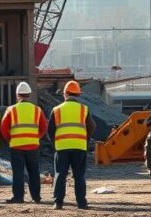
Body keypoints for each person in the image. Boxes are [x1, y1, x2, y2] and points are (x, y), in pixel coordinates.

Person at [48, 80, 96, 210]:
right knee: (79, 175)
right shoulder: (84, 109)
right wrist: (84, 140)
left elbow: (50, 130)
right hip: (79, 147)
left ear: (65, 94)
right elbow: (91, 127)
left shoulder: (56, 110)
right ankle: (82, 203)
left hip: (62, 147)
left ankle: (58, 203)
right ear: (78, 95)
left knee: (60, 174)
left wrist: (55, 142)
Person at [0, 81, 47, 204]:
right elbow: (44, 127)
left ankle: (18, 197)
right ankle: (36, 197)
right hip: (33, 146)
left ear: (17, 95)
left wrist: (10, 139)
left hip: (16, 146)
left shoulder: (11, 109)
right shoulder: (37, 110)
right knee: (34, 172)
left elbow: (3, 128)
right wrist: (36, 137)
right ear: (29, 95)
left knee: (18, 173)